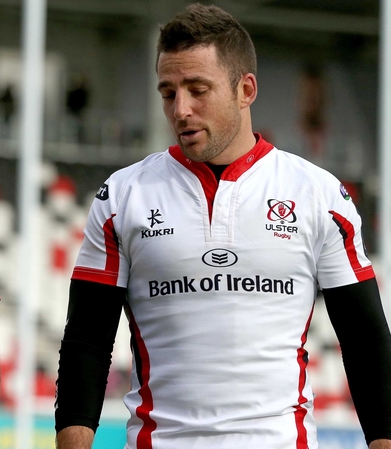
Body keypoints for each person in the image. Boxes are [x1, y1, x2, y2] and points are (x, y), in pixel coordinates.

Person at [54, 4, 391, 449]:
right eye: (168, 93)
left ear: (245, 89)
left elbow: (365, 341)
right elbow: (87, 340)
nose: (181, 109)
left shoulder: (319, 194)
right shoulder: (121, 195)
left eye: (198, 90)